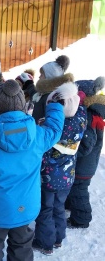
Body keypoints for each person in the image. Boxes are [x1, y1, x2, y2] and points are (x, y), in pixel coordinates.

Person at [0, 79, 66, 261]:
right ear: (22, 106)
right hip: (26, 208)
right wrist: (55, 107)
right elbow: (55, 130)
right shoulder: (38, 136)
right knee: (22, 245)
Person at [32, 82, 87, 255]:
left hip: (49, 177)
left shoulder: (54, 128)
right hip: (68, 177)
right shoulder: (80, 119)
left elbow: (43, 149)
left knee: (46, 209)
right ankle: (58, 238)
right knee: (59, 206)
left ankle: (45, 243)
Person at [65, 76, 105, 229]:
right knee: (75, 186)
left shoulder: (88, 115)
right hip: (87, 162)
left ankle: (81, 219)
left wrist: (71, 150)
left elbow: (87, 144)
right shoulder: (92, 112)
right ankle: (70, 205)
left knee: (79, 189)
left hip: (85, 164)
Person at [22, 55, 73, 124]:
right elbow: (36, 96)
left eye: (42, 74)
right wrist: (29, 84)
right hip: (34, 128)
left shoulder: (50, 98)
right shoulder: (46, 93)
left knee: (9, 132)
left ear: (49, 78)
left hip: (37, 131)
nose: (39, 76)